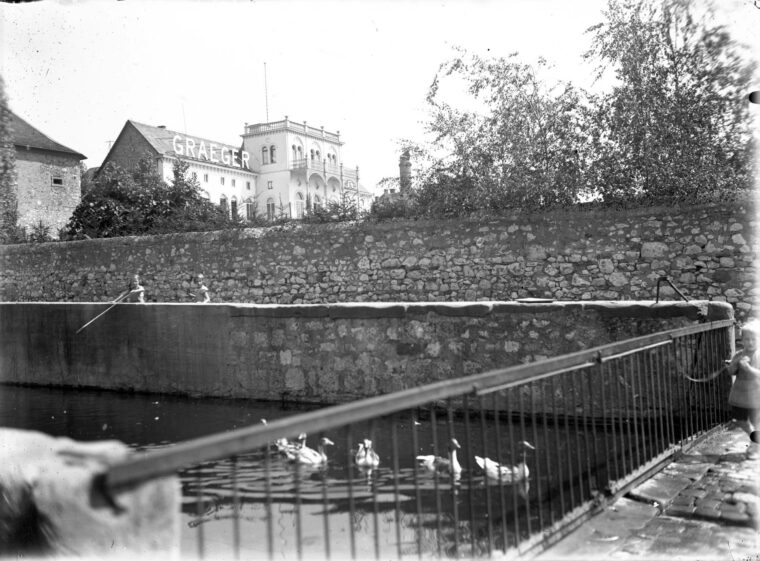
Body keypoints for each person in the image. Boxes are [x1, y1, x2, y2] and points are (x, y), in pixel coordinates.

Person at [725, 319, 760, 458]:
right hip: (740, 395)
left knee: (757, 423)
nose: (750, 342)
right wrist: (733, 365)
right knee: (740, 420)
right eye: (747, 339)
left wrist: (748, 368)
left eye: (753, 339)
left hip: (756, 395)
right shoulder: (739, 354)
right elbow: (731, 372)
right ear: (742, 340)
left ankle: (754, 446)